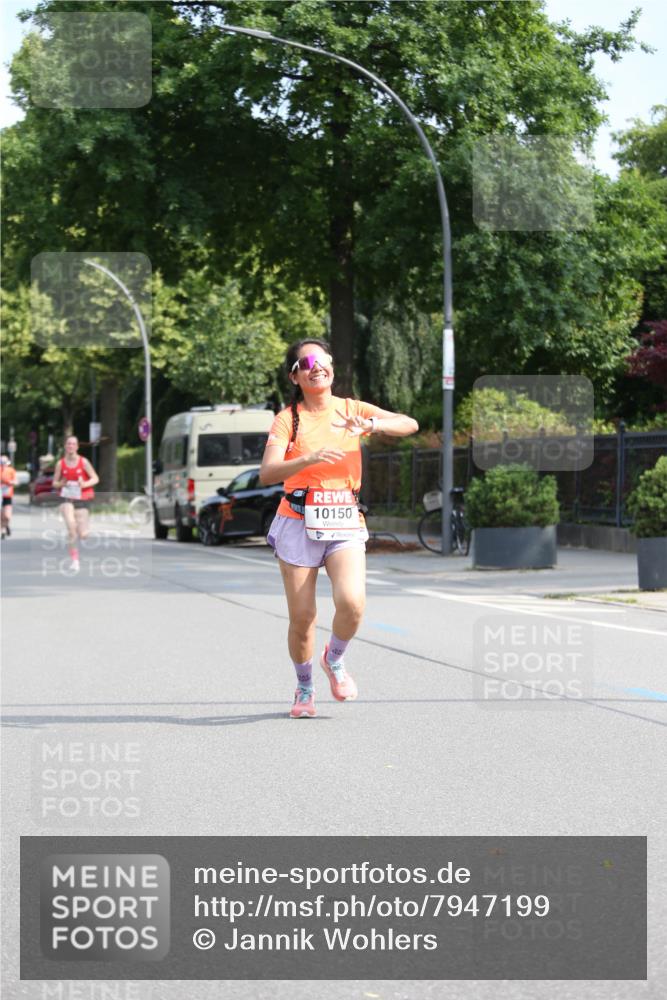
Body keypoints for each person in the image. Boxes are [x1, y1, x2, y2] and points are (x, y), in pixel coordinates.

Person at [260, 339, 419, 719]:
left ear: (332, 366)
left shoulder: (352, 408)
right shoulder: (289, 419)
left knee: (352, 603)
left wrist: (372, 424)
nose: (316, 366)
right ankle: (304, 686)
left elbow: (409, 424)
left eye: (322, 359)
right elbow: (267, 472)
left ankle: (334, 658)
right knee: (303, 617)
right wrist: (308, 458)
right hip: (298, 520)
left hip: (344, 518)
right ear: (295, 376)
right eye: (306, 362)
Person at [52, 436, 100, 573]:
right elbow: (54, 483)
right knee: (71, 529)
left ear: (77, 447)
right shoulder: (60, 464)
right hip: (67, 498)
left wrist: (84, 484)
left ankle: (85, 529)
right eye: (68, 444)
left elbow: (95, 478)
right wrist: (61, 484)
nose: (71, 446)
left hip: (82, 497)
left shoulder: (83, 462)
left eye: (73, 444)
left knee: (83, 534)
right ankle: (75, 560)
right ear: (65, 446)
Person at [1, 456, 17, 539]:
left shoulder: (11, 470)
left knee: (7, 516)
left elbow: (16, 481)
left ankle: (6, 525)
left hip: (7, 496)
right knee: (1, 515)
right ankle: (3, 530)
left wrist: (9, 482)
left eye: (4, 462)